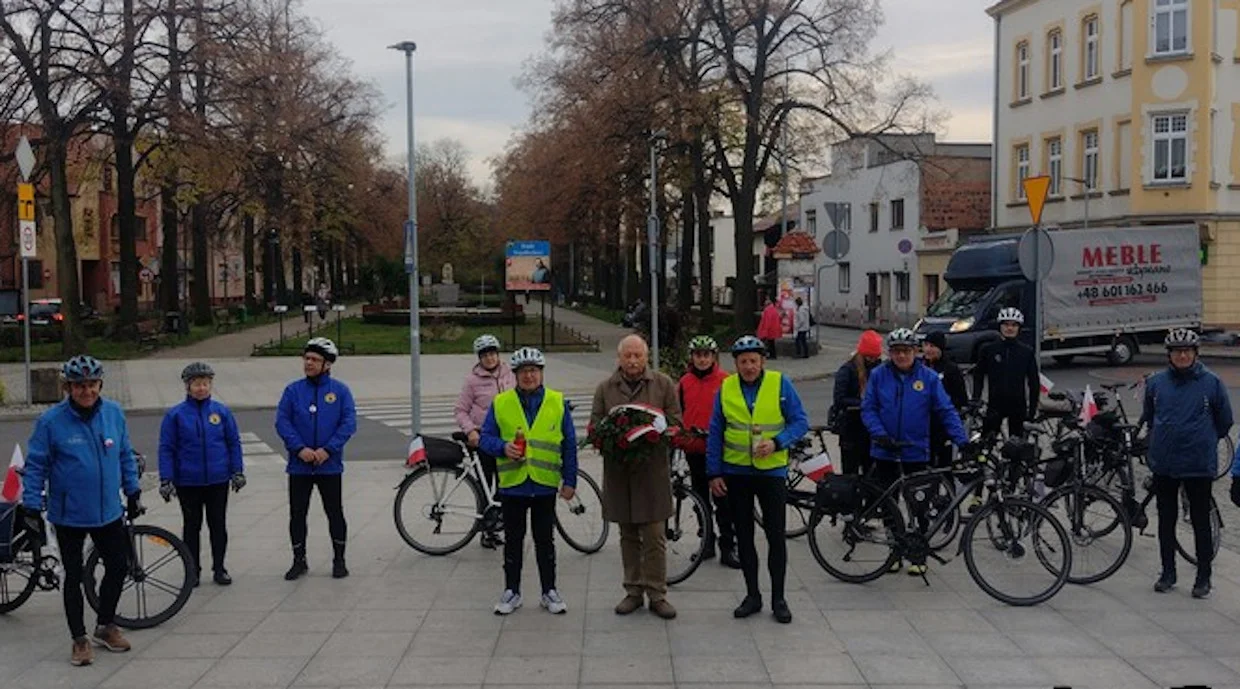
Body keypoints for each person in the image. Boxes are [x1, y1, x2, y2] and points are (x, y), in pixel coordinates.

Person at [20, 356, 141, 666]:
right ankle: (79, 639)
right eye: (79, 386)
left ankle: (105, 625)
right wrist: (32, 506)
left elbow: (125, 454)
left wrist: (132, 490)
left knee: (118, 566)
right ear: (68, 388)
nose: (86, 391)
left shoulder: (113, 413)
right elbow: (35, 465)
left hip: (108, 511)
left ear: (100, 385)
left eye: (91, 385)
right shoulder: (51, 421)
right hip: (69, 513)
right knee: (73, 576)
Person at [706, 335, 809, 623]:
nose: (749, 366)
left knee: (776, 536)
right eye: (743, 362)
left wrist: (778, 442)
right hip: (736, 473)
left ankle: (779, 598)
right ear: (735, 364)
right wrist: (714, 472)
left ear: (763, 361)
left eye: (753, 361)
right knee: (744, 536)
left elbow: (800, 421)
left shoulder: (780, 384)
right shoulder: (726, 387)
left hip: (771, 473)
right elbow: (716, 431)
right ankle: (753, 595)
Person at [862, 328, 971, 575]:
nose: (902, 356)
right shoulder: (879, 375)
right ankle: (895, 549)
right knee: (889, 504)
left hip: (916, 450)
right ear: (890, 353)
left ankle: (918, 554)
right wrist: (879, 433)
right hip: (885, 449)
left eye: (907, 351)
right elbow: (868, 408)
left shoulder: (929, 378)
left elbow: (946, 410)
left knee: (919, 504)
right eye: (897, 351)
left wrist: (961, 441)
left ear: (915, 352)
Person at [478, 347, 577, 615]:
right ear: (515, 375)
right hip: (513, 485)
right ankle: (512, 591)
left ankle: (549, 591)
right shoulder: (501, 403)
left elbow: (569, 444)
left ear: (542, 373)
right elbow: (484, 439)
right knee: (513, 539)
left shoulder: (557, 402)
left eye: (534, 370)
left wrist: (570, 480)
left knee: (545, 540)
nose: (529, 376)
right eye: (524, 371)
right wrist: (502, 447)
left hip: (544, 483)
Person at [591, 334, 682, 619]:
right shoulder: (606, 388)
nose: (632, 361)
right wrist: (609, 435)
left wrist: (658, 432)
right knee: (628, 534)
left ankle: (657, 593)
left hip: (652, 472)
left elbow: (676, 422)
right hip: (620, 473)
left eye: (637, 356)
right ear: (619, 358)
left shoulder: (663, 384)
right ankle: (633, 591)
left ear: (646, 357)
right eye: (627, 356)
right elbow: (595, 426)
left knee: (654, 536)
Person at [1140, 328, 1233, 598]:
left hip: (1197, 463)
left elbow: (1224, 421)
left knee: (1201, 521)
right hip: (1165, 462)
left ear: (1195, 354)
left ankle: (1203, 576)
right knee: (1165, 520)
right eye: (1177, 351)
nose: (1182, 355)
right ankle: (1168, 572)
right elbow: (1149, 415)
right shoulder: (1157, 383)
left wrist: (1202, 438)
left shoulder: (1211, 383)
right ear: (1169, 355)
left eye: (1187, 351)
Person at [275, 337, 357, 580]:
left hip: (329, 466)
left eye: (315, 359)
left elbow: (348, 423)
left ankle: (339, 559)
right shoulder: (293, 390)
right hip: (299, 466)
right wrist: (299, 448)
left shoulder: (340, 391)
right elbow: (282, 421)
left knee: (335, 512)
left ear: (327, 364)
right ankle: (299, 560)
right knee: (297, 514)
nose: (308, 363)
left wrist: (327, 450)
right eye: (306, 358)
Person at [158, 362, 246, 587]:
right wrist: (166, 478)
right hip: (188, 481)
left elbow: (232, 442)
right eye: (197, 384)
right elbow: (167, 448)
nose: (201, 388)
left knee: (218, 525)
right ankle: (192, 570)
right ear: (188, 387)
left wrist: (237, 471)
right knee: (191, 527)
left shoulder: (221, 412)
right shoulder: (176, 415)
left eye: (205, 384)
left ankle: (219, 568)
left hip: (217, 479)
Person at [675, 335, 739, 569]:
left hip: (720, 451)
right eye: (698, 355)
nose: (702, 360)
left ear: (714, 357)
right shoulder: (684, 382)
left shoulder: (725, 381)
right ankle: (707, 544)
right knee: (700, 499)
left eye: (706, 355)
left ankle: (728, 546)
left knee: (724, 500)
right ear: (692, 358)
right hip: (694, 449)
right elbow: (679, 412)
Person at [455, 334, 516, 549]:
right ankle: (487, 530)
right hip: (482, 439)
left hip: (506, 438)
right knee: (485, 486)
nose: (490, 359)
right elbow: (461, 410)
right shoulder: (472, 381)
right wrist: (470, 431)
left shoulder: (510, 373)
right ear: (479, 358)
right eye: (485, 355)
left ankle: (501, 524)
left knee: (506, 483)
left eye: (492, 354)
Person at [971, 307, 1039, 437]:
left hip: (1018, 405)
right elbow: (978, 375)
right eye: (1006, 324)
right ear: (1000, 326)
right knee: (985, 445)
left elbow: (1034, 382)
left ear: (1019, 328)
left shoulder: (1026, 352)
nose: (1010, 328)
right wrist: (976, 398)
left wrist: (1032, 411)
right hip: (995, 404)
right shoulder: (988, 350)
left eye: (1014, 325)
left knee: (1016, 449)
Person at [830, 330, 883, 476]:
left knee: (871, 473)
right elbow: (839, 399)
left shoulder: (878, 368)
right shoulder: (847, 370)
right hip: (851, 429)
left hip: (870, 431)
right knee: (850, 474)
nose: (873, 359)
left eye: (875, 357)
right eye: (870, 357)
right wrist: (865, 403)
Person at [921, 332, 969, 469]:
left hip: (942, 425)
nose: (928, 349)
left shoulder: (951, 369)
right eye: (926, 345)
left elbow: (961, 398)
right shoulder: (919, 367)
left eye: (933, 346)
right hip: (922, 426)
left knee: (944, 465)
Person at [756, 294, 782, 359]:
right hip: (774, 329)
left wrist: (764, 330)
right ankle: (772, 354)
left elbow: (766, 321)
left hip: (769, 330)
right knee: (771, 343)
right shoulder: (774, 309)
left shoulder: (767, 310)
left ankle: (771, 355)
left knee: (769, 343)